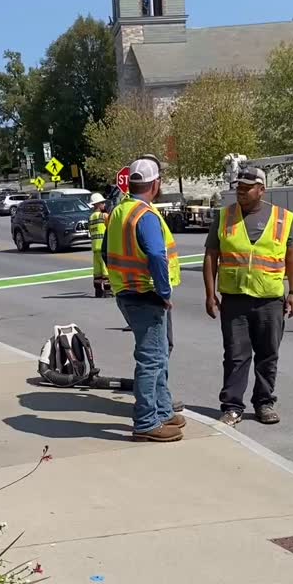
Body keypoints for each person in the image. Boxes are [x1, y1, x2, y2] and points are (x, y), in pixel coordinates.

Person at [203, 163, 293, 426]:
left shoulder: (282, 218)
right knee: (235, 355)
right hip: (235, 299)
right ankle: (232, 406)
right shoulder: (223, 217)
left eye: (247, 189)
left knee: (268, 355)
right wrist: (210, 295)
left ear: (261, 190)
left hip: (270, 299)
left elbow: (292, 256)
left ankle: (264, 403)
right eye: (239, 188)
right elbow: (211, 256)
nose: (241, 193)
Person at [103, 156, 184, 443]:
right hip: (145, 294)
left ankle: (162, 411)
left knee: (158, 354)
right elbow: (156, 255)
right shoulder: (145, 215)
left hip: (126, 292)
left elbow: (105, 253)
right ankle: (147, 422)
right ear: (155, 184)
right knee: (151, 359)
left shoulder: (118, 212)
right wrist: (164, 291)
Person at [88, 192, 111, 298]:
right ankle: (108, 291)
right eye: (102, 203)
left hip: (95, 248)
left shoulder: (91, 218)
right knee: (106, 271)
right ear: (98, 204)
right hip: (103, 247)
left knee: (97, 272)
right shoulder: (104, 216)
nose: (104, 205)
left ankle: (98, 291)